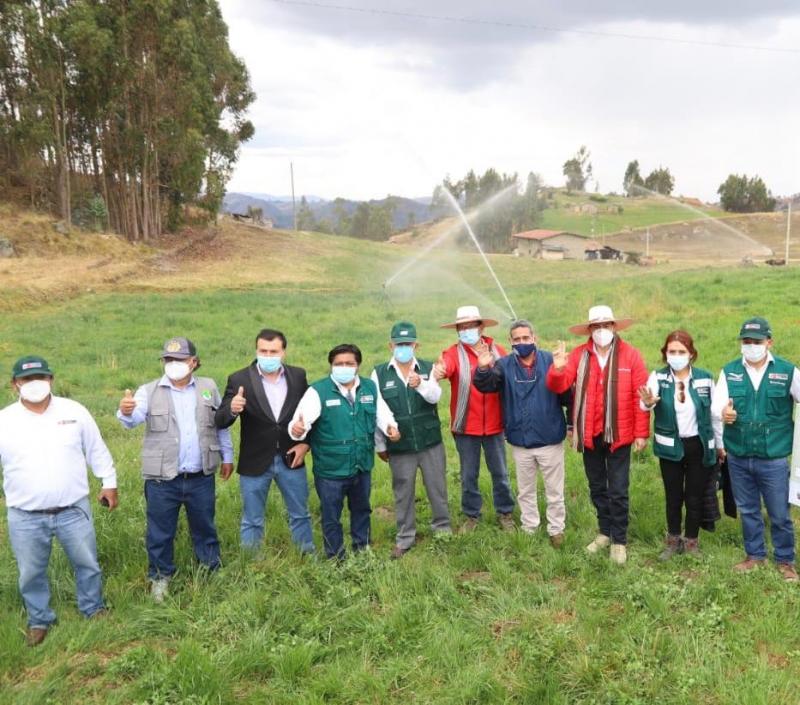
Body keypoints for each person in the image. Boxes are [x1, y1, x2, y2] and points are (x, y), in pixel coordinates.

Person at [0, 356, 118, 646]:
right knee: (30, 572)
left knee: (87, 563)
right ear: (15, 385)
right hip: (24, 514)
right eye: (27, 380)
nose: (34, 384)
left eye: (40, 377)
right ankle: (40, 619)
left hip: (73, 509)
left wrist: (109, 482)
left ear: (51, 379)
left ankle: (93, 607)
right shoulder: (5, 420)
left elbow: (96, 448)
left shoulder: (73, 411)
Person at [117, 337, 233, 601]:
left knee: (205, 526)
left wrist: (227, 456)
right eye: (168, 360)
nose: (173, 365)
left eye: (179, 360)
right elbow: (132, 420)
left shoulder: (208, 387)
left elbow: (219, 425)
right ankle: (160, 577)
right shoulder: (148, 390)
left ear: (193, 362)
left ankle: (211, 569)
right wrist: (126, 411)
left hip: (200, 475)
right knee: (160, 531)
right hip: (162, 479)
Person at [546, 305, 649, 565]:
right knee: (596, 486)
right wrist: (557, 369)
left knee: (618, 489)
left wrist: (641, 432)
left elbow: (642, 396)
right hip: (589, 433)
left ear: (614, 327)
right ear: (589, 330)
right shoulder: (580, 355)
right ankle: (604, 531)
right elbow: (558, 387)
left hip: (620, 433)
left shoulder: (630, 355)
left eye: (606, 325)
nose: (602, 330)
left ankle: (619, 540)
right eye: (597, 326)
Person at [289, 343, 398, 559]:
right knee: (331, 515)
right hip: (330, 469)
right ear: (331, 366)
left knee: (362, 510)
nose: (344, 367)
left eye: (349, 363)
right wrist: (298, 429)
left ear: (358, 365)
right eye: (339, 364)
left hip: (361, 464)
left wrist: (390, 427)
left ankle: (362, 550)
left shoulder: (369, 388)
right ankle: (335, 556)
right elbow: (299, 424)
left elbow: (382, 414)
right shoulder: (317, 391)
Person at [711, 317, 800, 582]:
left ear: (768, 342)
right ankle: (755, 555)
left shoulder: (787, 371)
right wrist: (724, 412)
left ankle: (785, 560)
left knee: (779, 513)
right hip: (738, 455)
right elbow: (717, 406)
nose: (751, 346)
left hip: (773, 457)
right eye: (746, 342)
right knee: (748, 509)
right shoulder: (730, 371)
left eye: (757, 342)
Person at [215, 329, 314, 554]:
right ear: (256, 350)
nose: (268, 355)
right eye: (263, 351)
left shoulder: (298, 376)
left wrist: (305, 443)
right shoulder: (239, 379)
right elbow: (220, 420)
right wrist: (232, 409)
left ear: (283, 352)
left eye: (273, 351)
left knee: (300, 513)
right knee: (252, 518)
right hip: (255, 460)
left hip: (291, 457)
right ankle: (250, 561)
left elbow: (309, 414)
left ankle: (307, 556)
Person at [473, 319, 571, 547]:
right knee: (525, 490)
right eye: (517, 339)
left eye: (526, 338)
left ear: (534, 338)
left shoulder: (550, 360)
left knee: (554, 491)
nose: (522, 342)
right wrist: (483, 367)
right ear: (511, 342)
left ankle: (556, 529)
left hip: (550, 438)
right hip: (520, 439)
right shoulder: (504, 365)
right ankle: (530, 527)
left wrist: (570, 425)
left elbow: (567, 394)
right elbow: (487, 386)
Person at [372, 321, 451, 559]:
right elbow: (378, 407)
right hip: (401, 444)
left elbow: (435, 396)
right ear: (391, 345)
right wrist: (386, 434)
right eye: (399, 344)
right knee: (403, 491)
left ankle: (443, 529)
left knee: (437, 486)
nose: (403, 347)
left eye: (408, 343)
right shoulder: (379, 373)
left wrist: (421, 384)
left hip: (430, 441)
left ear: (416, 344)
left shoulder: (428, 368)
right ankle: (405, 537)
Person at [639, 330, 721, 559]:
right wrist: (647, 404)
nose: (676, 355)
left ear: (691, 354)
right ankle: (673, 540)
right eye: (671, 351)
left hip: (698, 446)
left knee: (694, 495)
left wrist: (720, 445)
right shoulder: (658, 377)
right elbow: (646, 402)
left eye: (681, 351)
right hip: (670, 448)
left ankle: (692, 541)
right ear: (665, 354)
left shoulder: (705, 378)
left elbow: (714, 416)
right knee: (673, 495)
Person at [433, 305, 515, 533]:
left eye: (471, 326)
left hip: (495, 425)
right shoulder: (452, 353)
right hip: (466, 426)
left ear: (481, 327)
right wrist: (438, 371)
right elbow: (444, 367)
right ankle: (471, 516)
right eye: (462, 327)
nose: (466, 330)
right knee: (468, 474)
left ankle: (505, 513)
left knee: (500, 472)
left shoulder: (498, 351)